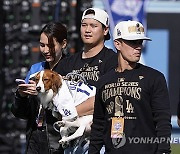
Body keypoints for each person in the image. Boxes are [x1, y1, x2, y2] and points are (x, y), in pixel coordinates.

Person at [89, 20, 172, 154]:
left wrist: (163, 151)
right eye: (133, 42)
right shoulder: (104, 81)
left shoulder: (154, 78)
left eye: (140, 42)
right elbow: (99, 123)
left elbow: (162, 120)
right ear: (117, 44)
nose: (138, 47)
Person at [55, 8, 118, 153]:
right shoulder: (67, 63)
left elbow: (105, 99)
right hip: (70, 142)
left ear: (105, 30)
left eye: (93, 26)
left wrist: (70, 114)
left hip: (98, 141)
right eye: (84, 25)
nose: (87, 30)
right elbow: (55, 100)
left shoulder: (112, 61)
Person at [11, 21, 67, 154]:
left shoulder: (70, 69)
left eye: (51, 45)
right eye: (42, 45)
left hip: (59, 140)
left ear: (63, 44)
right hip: (35, 139)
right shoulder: (36, 70)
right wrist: (22, 95)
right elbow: (21, 113)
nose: (46, 50)